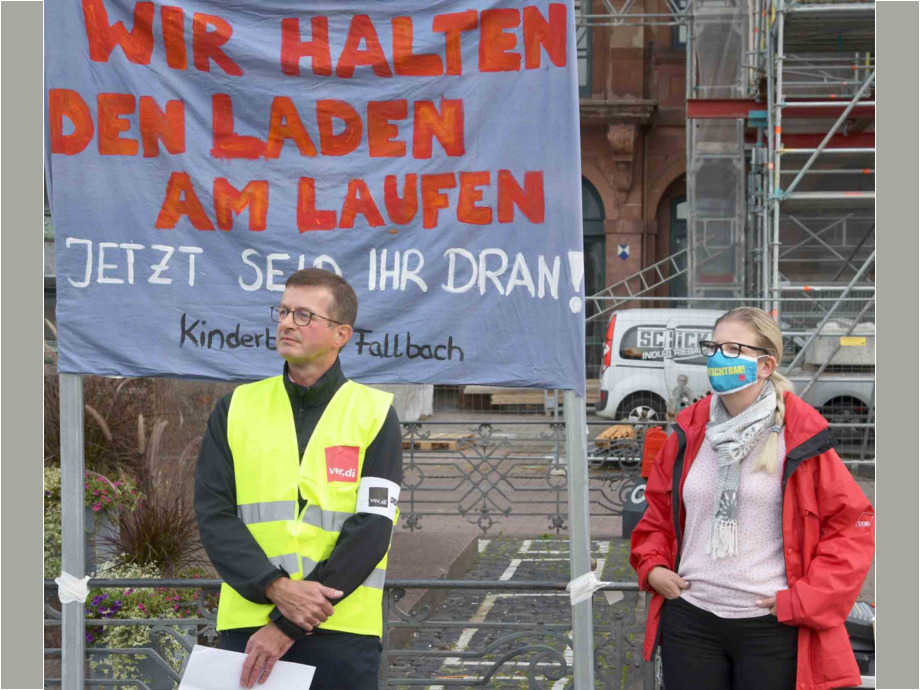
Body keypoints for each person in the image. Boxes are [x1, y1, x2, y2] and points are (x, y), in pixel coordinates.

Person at [630, 307, 874, 690]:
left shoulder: (800, 437)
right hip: (691, 619)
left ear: (765, 365)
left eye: (732, 349)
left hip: (771, 626)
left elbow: (852, 526)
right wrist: (652, 566)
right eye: (713, 347)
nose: (717, 357)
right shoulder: (688, 433)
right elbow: (658, 515)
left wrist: (805, 599)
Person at [194, 268, 403, 690]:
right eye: (284, 312)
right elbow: (214, 515)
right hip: (248, 628)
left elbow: (373, 528)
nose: (287, 323)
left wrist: (288, 624)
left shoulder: (375, 414)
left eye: (304, 315)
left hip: (342, 633)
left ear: (341, 334)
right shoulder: (236, 408)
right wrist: (274, 587)